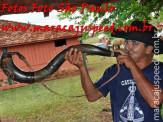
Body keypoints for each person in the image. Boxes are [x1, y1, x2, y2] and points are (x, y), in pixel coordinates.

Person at [64, 21, 163, 122]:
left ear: (148, 49)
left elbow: (154, 101)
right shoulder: (114, 70)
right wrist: (81, 67)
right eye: (126, 42)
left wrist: (132, 66)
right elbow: (91, 96)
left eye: (135, 43)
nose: (127, 47)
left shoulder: (159, 69)